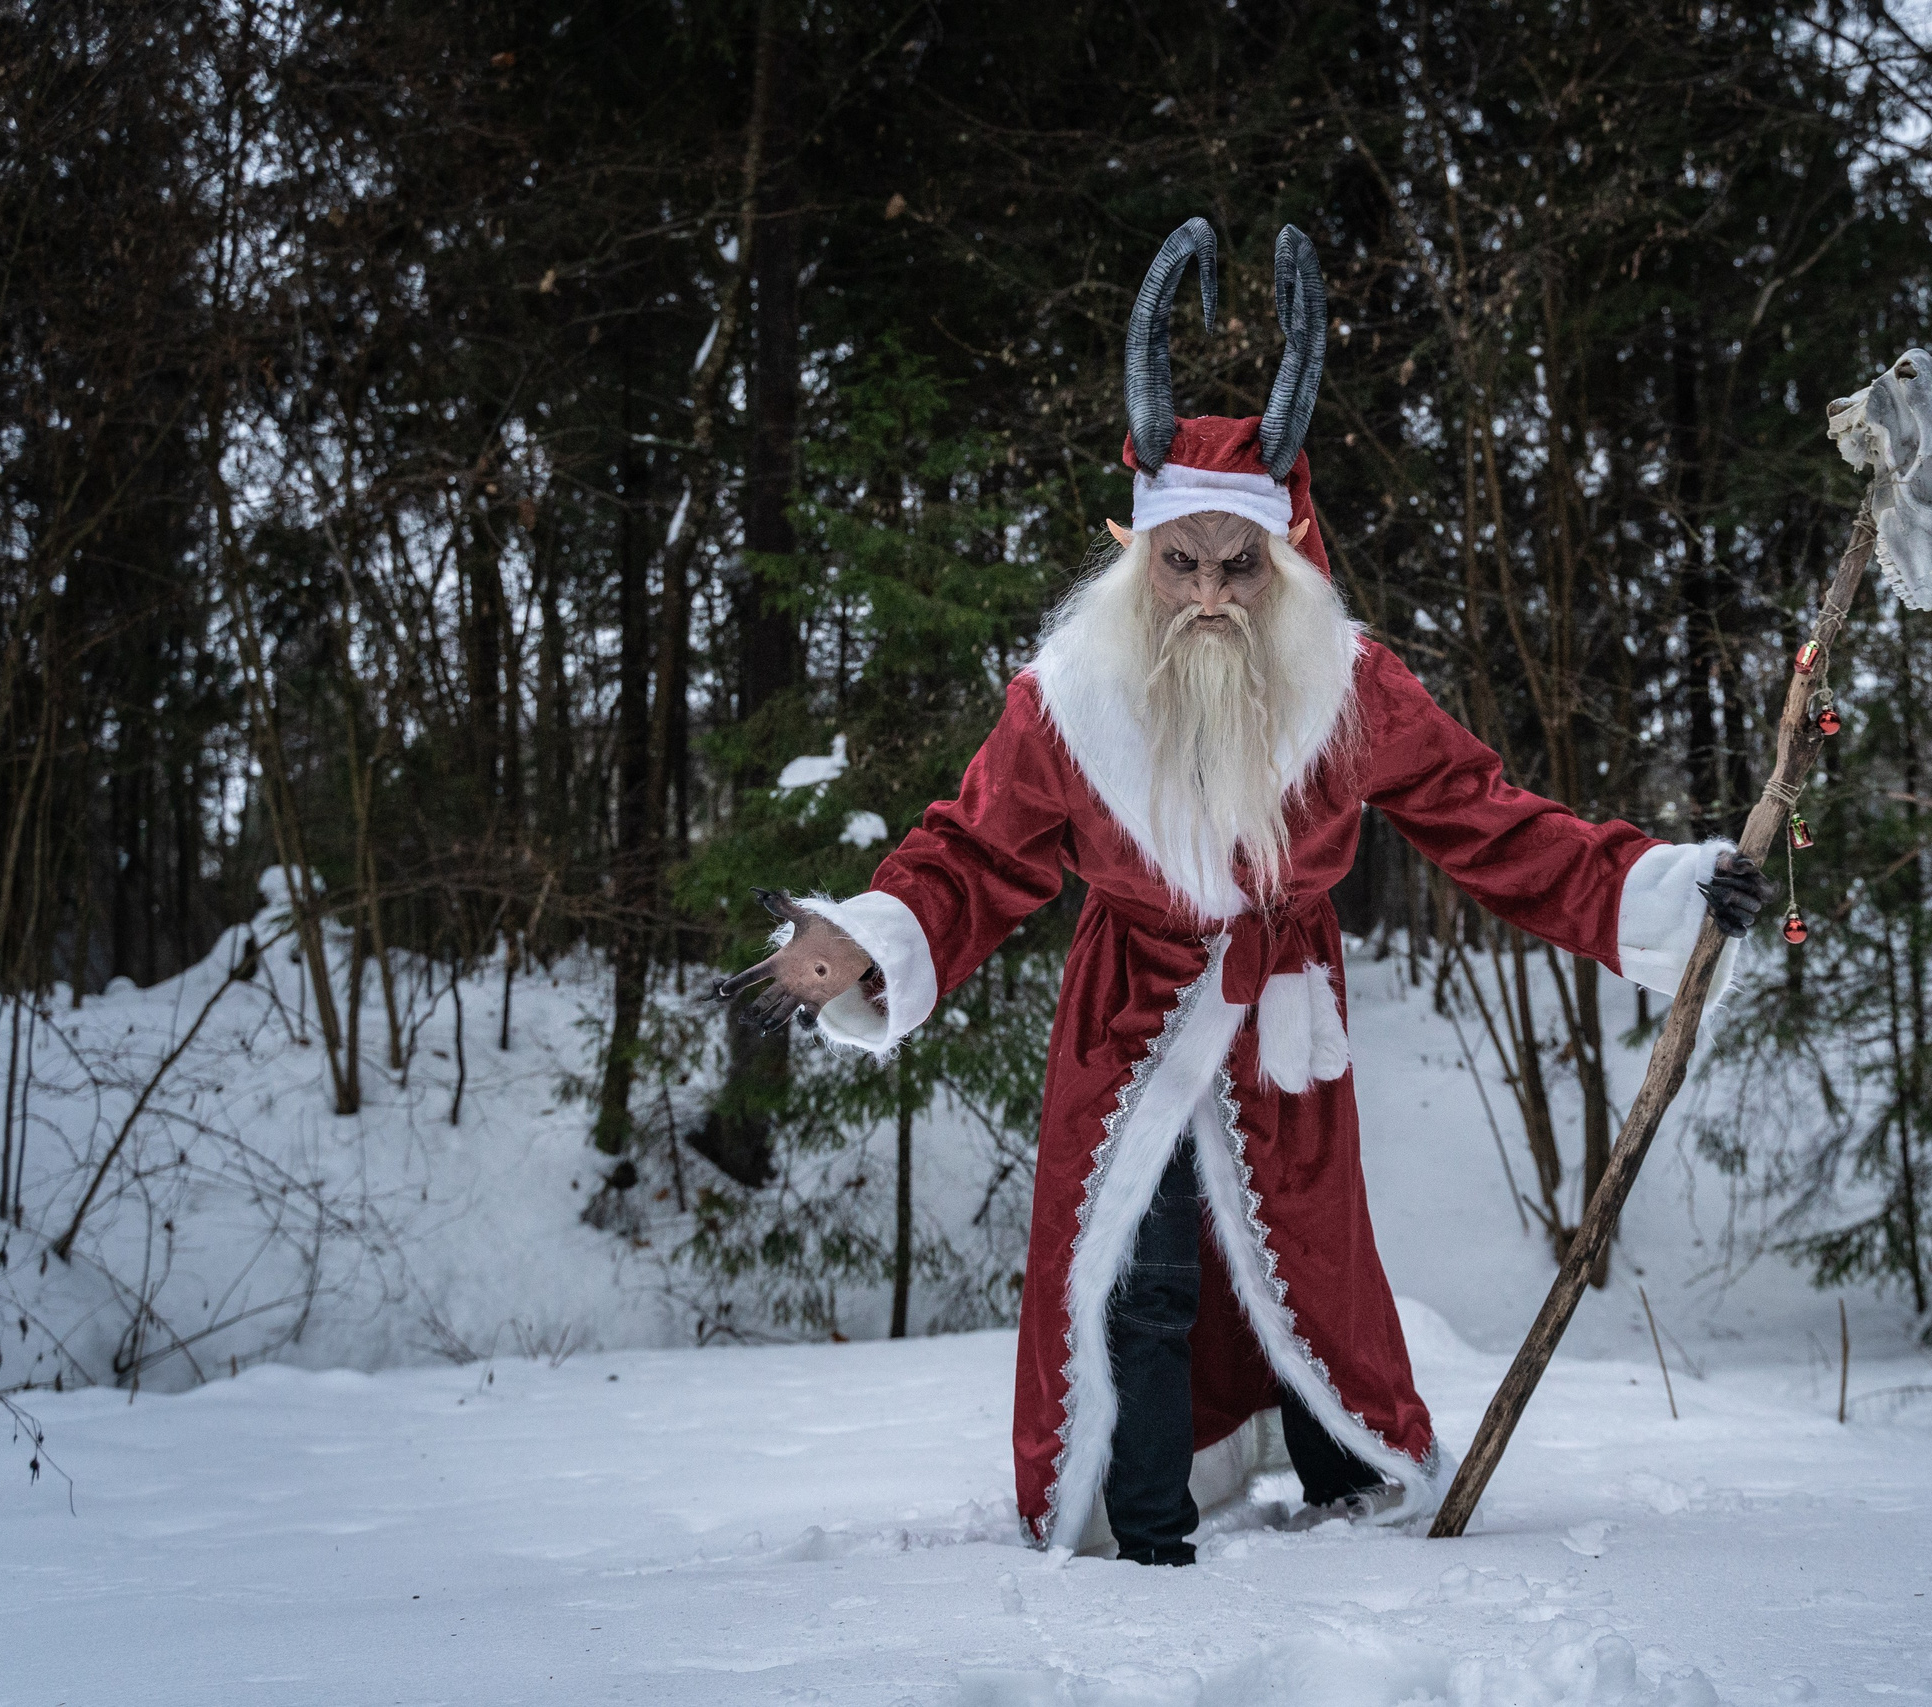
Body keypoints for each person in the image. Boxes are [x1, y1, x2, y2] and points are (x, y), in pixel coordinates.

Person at [714, 219, 1769, 1563]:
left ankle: (1358, 1487)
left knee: (1305, 1262)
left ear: (1287, 558)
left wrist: (1658, 891)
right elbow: (976, 852)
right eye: (1180, 563)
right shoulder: (1066, 703)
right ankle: (1141, 1536)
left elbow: (1489, 822)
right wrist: (867, 940)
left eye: (1239, 566)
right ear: (1134, 550)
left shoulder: (1351, 690)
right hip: (1125, 1015)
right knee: (1140, 1273)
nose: (1209, 596)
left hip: (1285, 1015)